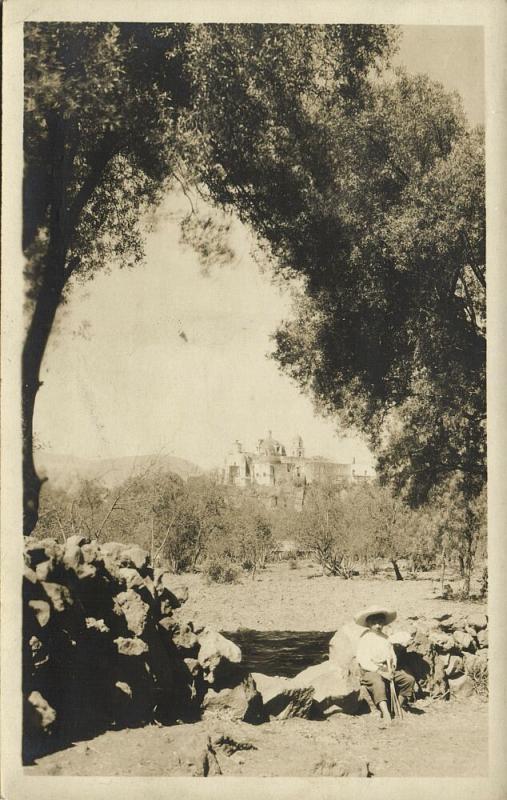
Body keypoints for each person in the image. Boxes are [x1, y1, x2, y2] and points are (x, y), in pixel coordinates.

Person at [354, 605, 416, 723]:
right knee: (378, 683)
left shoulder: (386, 638)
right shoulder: (365, 639)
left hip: (386, 669)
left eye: (380, 623)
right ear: (368, 624)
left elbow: (392, 655)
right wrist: (380, 671)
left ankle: (399, 706)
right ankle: (385, 712)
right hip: (371, 670)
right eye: (374, 623)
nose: (378, 626)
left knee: (409, 679)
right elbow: (363, 660)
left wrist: (392, 667)